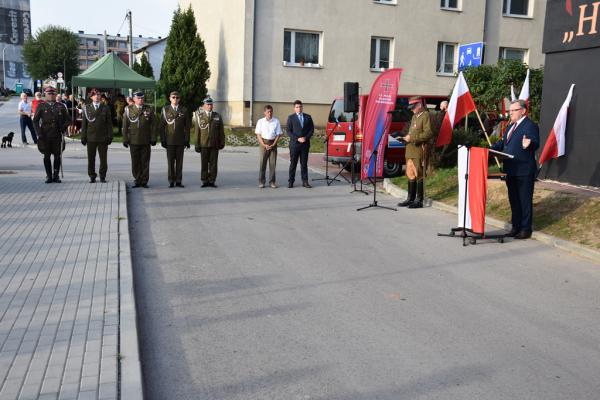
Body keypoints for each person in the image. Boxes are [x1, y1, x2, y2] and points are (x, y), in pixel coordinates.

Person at [492, 99, 540, 239]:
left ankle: (525, 229)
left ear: (523, 111)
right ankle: (516, 227)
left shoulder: (530, 125)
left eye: (513, 110)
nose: (510, 113)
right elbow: (501, 144)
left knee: (524, 201)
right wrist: (485, 151)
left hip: (524, 170)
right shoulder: (510, 127)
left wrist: (528, 144)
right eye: (510, 110)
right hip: (510, 170)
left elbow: (535, 142)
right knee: (514, 200)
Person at [398, 96, 433, 208]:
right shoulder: (414, 116)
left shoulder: (425, 115)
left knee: (419, 174)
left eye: (413, 107)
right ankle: (410, 198)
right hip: (410, 150)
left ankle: (419, 200)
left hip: (419, 150)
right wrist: (405, 137)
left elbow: (428, 133)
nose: (411, 110)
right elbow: (412, 132)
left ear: (419, 105)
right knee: (410, 173)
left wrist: (412, 138)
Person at [33, 87, 70, 183]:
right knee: (46, 156)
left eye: (53, 93)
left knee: (57, 156)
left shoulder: (60, 106)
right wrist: (39, 133)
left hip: (57, 134)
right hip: (45, 135)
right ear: (45, 94)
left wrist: (63, 127)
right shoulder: (41, 106)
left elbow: (68, 119)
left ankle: (56, 175)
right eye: (49, 93)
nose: (51, 95)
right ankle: (49, 176)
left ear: (55, 94)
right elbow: (35, 121)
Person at [122, 90, 157, 188]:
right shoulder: (129, 109)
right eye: (138, 98)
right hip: (133, 140)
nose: (141, 100)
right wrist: (125, 139)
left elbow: (154, 125)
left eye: (142, 98)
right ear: (134, 99)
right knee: (135, 161)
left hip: (146, 140)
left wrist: (153, 138)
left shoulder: (149, 109)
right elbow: (125, 126)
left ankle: (144, 181)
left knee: (145, 161)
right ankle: (137, 179)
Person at [81, 88, 113, 183]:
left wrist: (110, 136)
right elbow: (84, 124)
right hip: (91, 137)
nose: (97, 96)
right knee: (91, 158)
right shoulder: (87, 108)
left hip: (103, 137)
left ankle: (102, 176)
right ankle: (92, 176)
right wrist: (83, 137)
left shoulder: (105, 108)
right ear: (91, 97)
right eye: (95, 95)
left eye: (98, 95)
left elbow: (109, 124)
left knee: (103, 159)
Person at [159, 91, 190, 188]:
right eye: (173, 97)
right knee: (170, 162)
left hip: (180, 141)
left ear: (179, 99)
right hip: (170, 141)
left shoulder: (184, 110)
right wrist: (163, 139)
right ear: (170, 98)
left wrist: (187, 139)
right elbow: (161, 126)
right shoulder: (165, 110)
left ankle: (179, 181)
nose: (175, 99)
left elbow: (187, 127)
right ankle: (171, 180)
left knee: (179, 163)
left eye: (177, 97)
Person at [193, 96, 225, 187]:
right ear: (204, 106)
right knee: (204, 164)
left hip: (214, 144)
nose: (210, 106)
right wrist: (196, 144)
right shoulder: (199, 116)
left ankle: (212, 181)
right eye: (208, 104)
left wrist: (222, 142)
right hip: (203, 144)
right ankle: (204, 180)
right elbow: (197, 132)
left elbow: (221, 131)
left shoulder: (217, 116)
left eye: (211, 104)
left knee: (213, 164)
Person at [286, 100, 314, 188]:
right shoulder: (291, 118)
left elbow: (311, 129)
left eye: (300, 106)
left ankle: (305, 181)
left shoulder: (308, 117)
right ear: (294, 108)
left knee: (304, 164)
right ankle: (291, 181)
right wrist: (298, 138)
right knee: (293, 163)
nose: (299, 108)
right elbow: (288, 131)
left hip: (305, 144)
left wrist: (306, 138)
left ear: (302, 107)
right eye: (297, 107)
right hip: (294, 144)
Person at [255, 104, 283, 188]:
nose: (270, 113)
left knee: (272, 164)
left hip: (273, 143)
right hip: (263, 142)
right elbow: (258, 134)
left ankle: (272, 182)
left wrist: (273, 144)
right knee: (262, 163)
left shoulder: (276, 121)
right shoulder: (260, 121)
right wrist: (263, 144)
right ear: (264, 112)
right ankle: (261, 181)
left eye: (271, 111)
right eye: (268, 112)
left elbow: (278, 134)